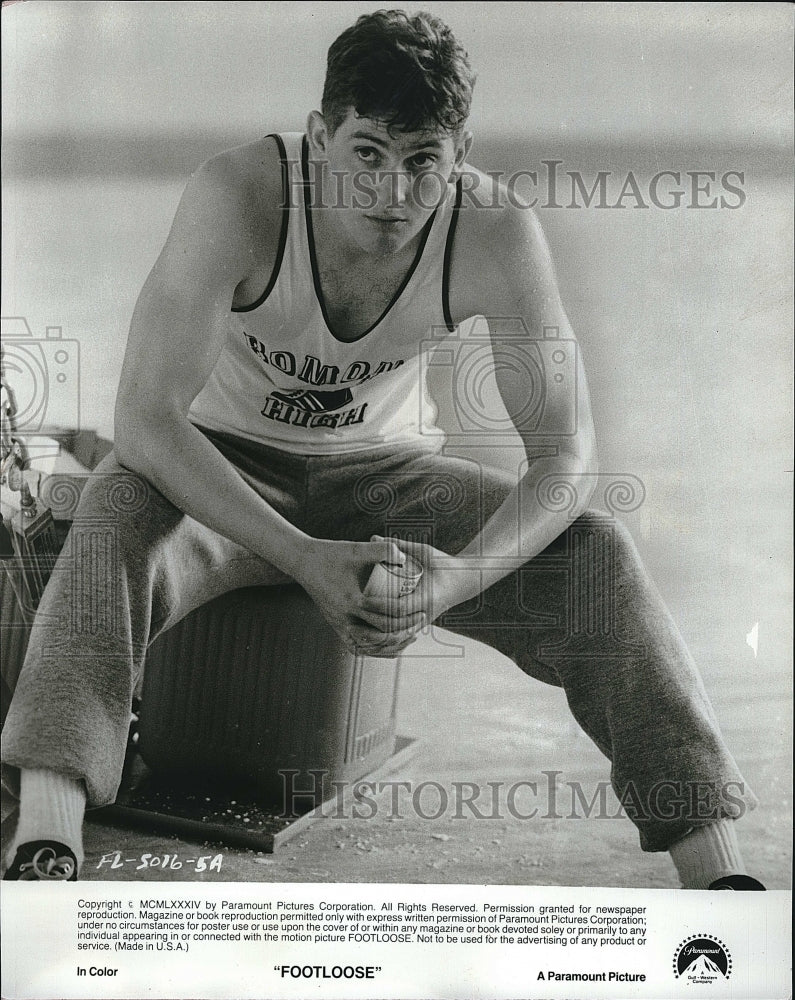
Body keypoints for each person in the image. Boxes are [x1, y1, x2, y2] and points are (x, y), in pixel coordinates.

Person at [1, 9, 763, 888]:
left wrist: (456, 579)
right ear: (322, 137)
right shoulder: (238, 193)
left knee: (595, 552)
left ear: (458, 151)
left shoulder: (494, 230)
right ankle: (47, 838)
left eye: (422, 161)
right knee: (117, 505)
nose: (393, 194)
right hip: (220, 468)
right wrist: (298, 553)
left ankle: (717, 874)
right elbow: (146, 421)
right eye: (367, 153)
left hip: (384, 479)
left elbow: (562, 456)